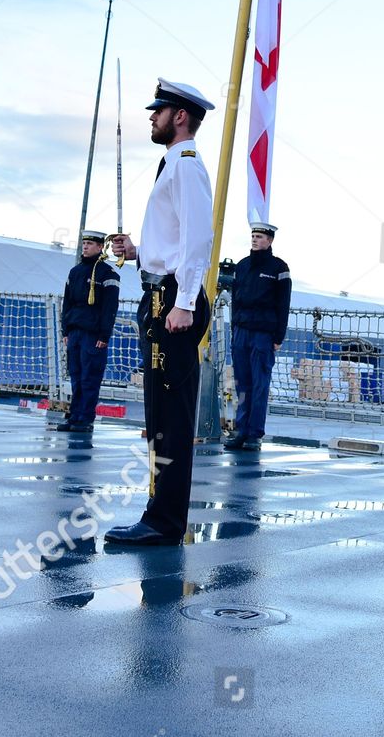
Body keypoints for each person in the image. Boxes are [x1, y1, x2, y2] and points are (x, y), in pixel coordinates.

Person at [104, 80, 216, 547]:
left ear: (181, 117)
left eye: (160, 110)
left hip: (173, 300)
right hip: (159, 295)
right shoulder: (171, 165)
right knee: (159, 416)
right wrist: (138, 251)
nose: (152, 117)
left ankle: (166, 521)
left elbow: (197, 240)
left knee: (171, 416)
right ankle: (158, 513)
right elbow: (171, 241)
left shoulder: (186, 166)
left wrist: (185, 302)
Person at [225, 221, 292, 450]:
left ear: (270, 240)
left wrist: (278, 337)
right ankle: (241, 431)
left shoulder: (279, 268)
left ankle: (254, 434)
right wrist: (234, 329)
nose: (255, 239)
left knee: (260, 384)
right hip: (242, 332)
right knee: (242, 384)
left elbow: (284, 305)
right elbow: (235, 300)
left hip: (263, 334)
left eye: (260, 236)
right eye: (253, 235)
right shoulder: (242, 266)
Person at [56, 229, 120, 434]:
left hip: (93, 335)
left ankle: (85, 419)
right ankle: (74, 416)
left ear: (101, 247)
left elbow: (109, 308)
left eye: (90, 244)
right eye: (84, 243)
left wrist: (104, 335)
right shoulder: (75, 272)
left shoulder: (108, 274)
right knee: (75, 376)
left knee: (89, 378)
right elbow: (68, 303)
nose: (85, 247)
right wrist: (65, 330)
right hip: (75, 332)